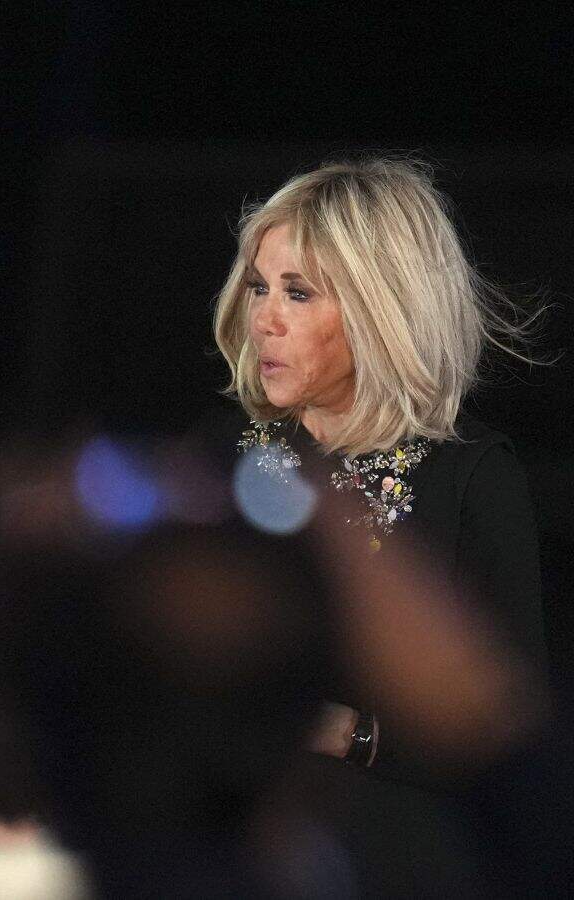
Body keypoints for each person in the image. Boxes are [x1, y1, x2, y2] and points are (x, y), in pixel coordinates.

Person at [210, 156, 546, 893]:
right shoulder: (217, 466)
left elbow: (519, 743)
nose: (262, 317)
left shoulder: (474, 482)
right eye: (260, 286)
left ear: (381, 307)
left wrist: (348, 733)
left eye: (297, 293)